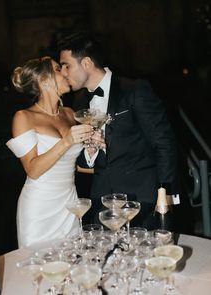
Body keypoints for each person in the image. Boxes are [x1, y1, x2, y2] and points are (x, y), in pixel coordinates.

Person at [58, 31, 180, 229]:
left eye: (66, 65)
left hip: (142, 198)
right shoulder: (79, 101)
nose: (63, 72)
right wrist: (90, 152)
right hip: (101, 201)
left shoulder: (135, 90)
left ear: (86, 63)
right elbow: (83, 160)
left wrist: (166, 191)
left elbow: (164, 142)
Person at [6, 56, 93, 248]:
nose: (65, 71)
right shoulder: (24, 117)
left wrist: (95, 149)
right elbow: (33, 170)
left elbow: (78, 164)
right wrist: (67, 141)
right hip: (40, 207)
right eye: (58, 69)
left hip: (71, 205)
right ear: (44, 80)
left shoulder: (70, 113)